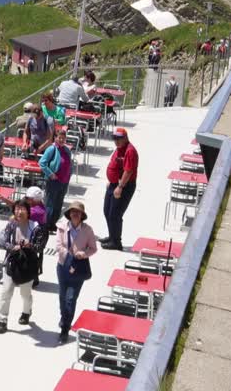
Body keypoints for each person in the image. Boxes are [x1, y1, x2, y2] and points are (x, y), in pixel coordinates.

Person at [0, 199, 39, 333]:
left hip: (27, 265)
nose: (19, 211)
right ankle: (2, 320)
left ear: (28, 211)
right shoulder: (11, 225)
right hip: (11, 262)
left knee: (25, 293)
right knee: (6, 292)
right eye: (17, 209)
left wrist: (29, 246)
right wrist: (14, 247)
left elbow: (39, 247)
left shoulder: (35, 227)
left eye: (22, 209)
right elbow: (4, 241)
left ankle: (26, 312)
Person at [55, 201, 99, 344]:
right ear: (69, 214)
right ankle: (64, 318)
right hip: (63, 266)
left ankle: (65, 329)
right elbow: (58, 245)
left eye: (78, 212)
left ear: (82, 215)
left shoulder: (88, 230)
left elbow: (93, 248)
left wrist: (83, 254)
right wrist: (69, 257)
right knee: (62, 296)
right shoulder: (61, 227)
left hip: (78, 269)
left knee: (71, 299)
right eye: (72, 211)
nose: (75, 214)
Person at [101, 128, 139, 250]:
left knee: (115, 214)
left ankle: (116, 242)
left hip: (124, 186)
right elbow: (116, 166)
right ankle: (112, 236)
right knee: (107, 211)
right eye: (114, 138)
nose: (116, 141)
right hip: (114, 184)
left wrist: (120, 187)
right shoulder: (119, 149)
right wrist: (111, 181)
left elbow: (128, 171)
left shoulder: (130, 151)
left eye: (119, 138)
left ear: (125, 138)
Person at [38, 127, 72, 227]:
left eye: (63, 138)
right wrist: (50, 174)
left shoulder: (66, 150)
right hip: (53, 181)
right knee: (50, 203)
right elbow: (42, 163)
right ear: (55, 138)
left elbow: (69, 164)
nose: (61, 140)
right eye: (59, 138)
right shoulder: (51, 149)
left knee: (59, 204)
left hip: (64, 182)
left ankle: (53, 223)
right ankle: (46, 224)